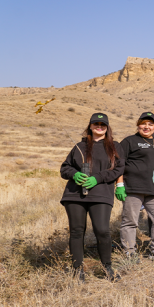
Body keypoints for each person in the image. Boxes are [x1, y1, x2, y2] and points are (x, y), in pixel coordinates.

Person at [60, 113, 124, 282]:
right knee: (76, 231)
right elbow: (64, 168)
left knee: (102, 230)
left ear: (107, 127)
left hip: (101, 194)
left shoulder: (115, 146)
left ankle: (107, 268)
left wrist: (98, 178)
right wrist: (74, 174)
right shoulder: (79, 146)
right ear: (90, 126)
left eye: (103, 124)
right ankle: (77, 270)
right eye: (96, 124)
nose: (99, 127)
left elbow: (118, 169)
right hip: (74, 195)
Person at [117, 112, 154, 260]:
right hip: (133, 188)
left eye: (150, 124)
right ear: (138, 125)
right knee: (130, 221)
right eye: (143, 124)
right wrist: (120, 184)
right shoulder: (129, 141)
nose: (146, 127)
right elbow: (119, 164)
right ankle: (130, 252)